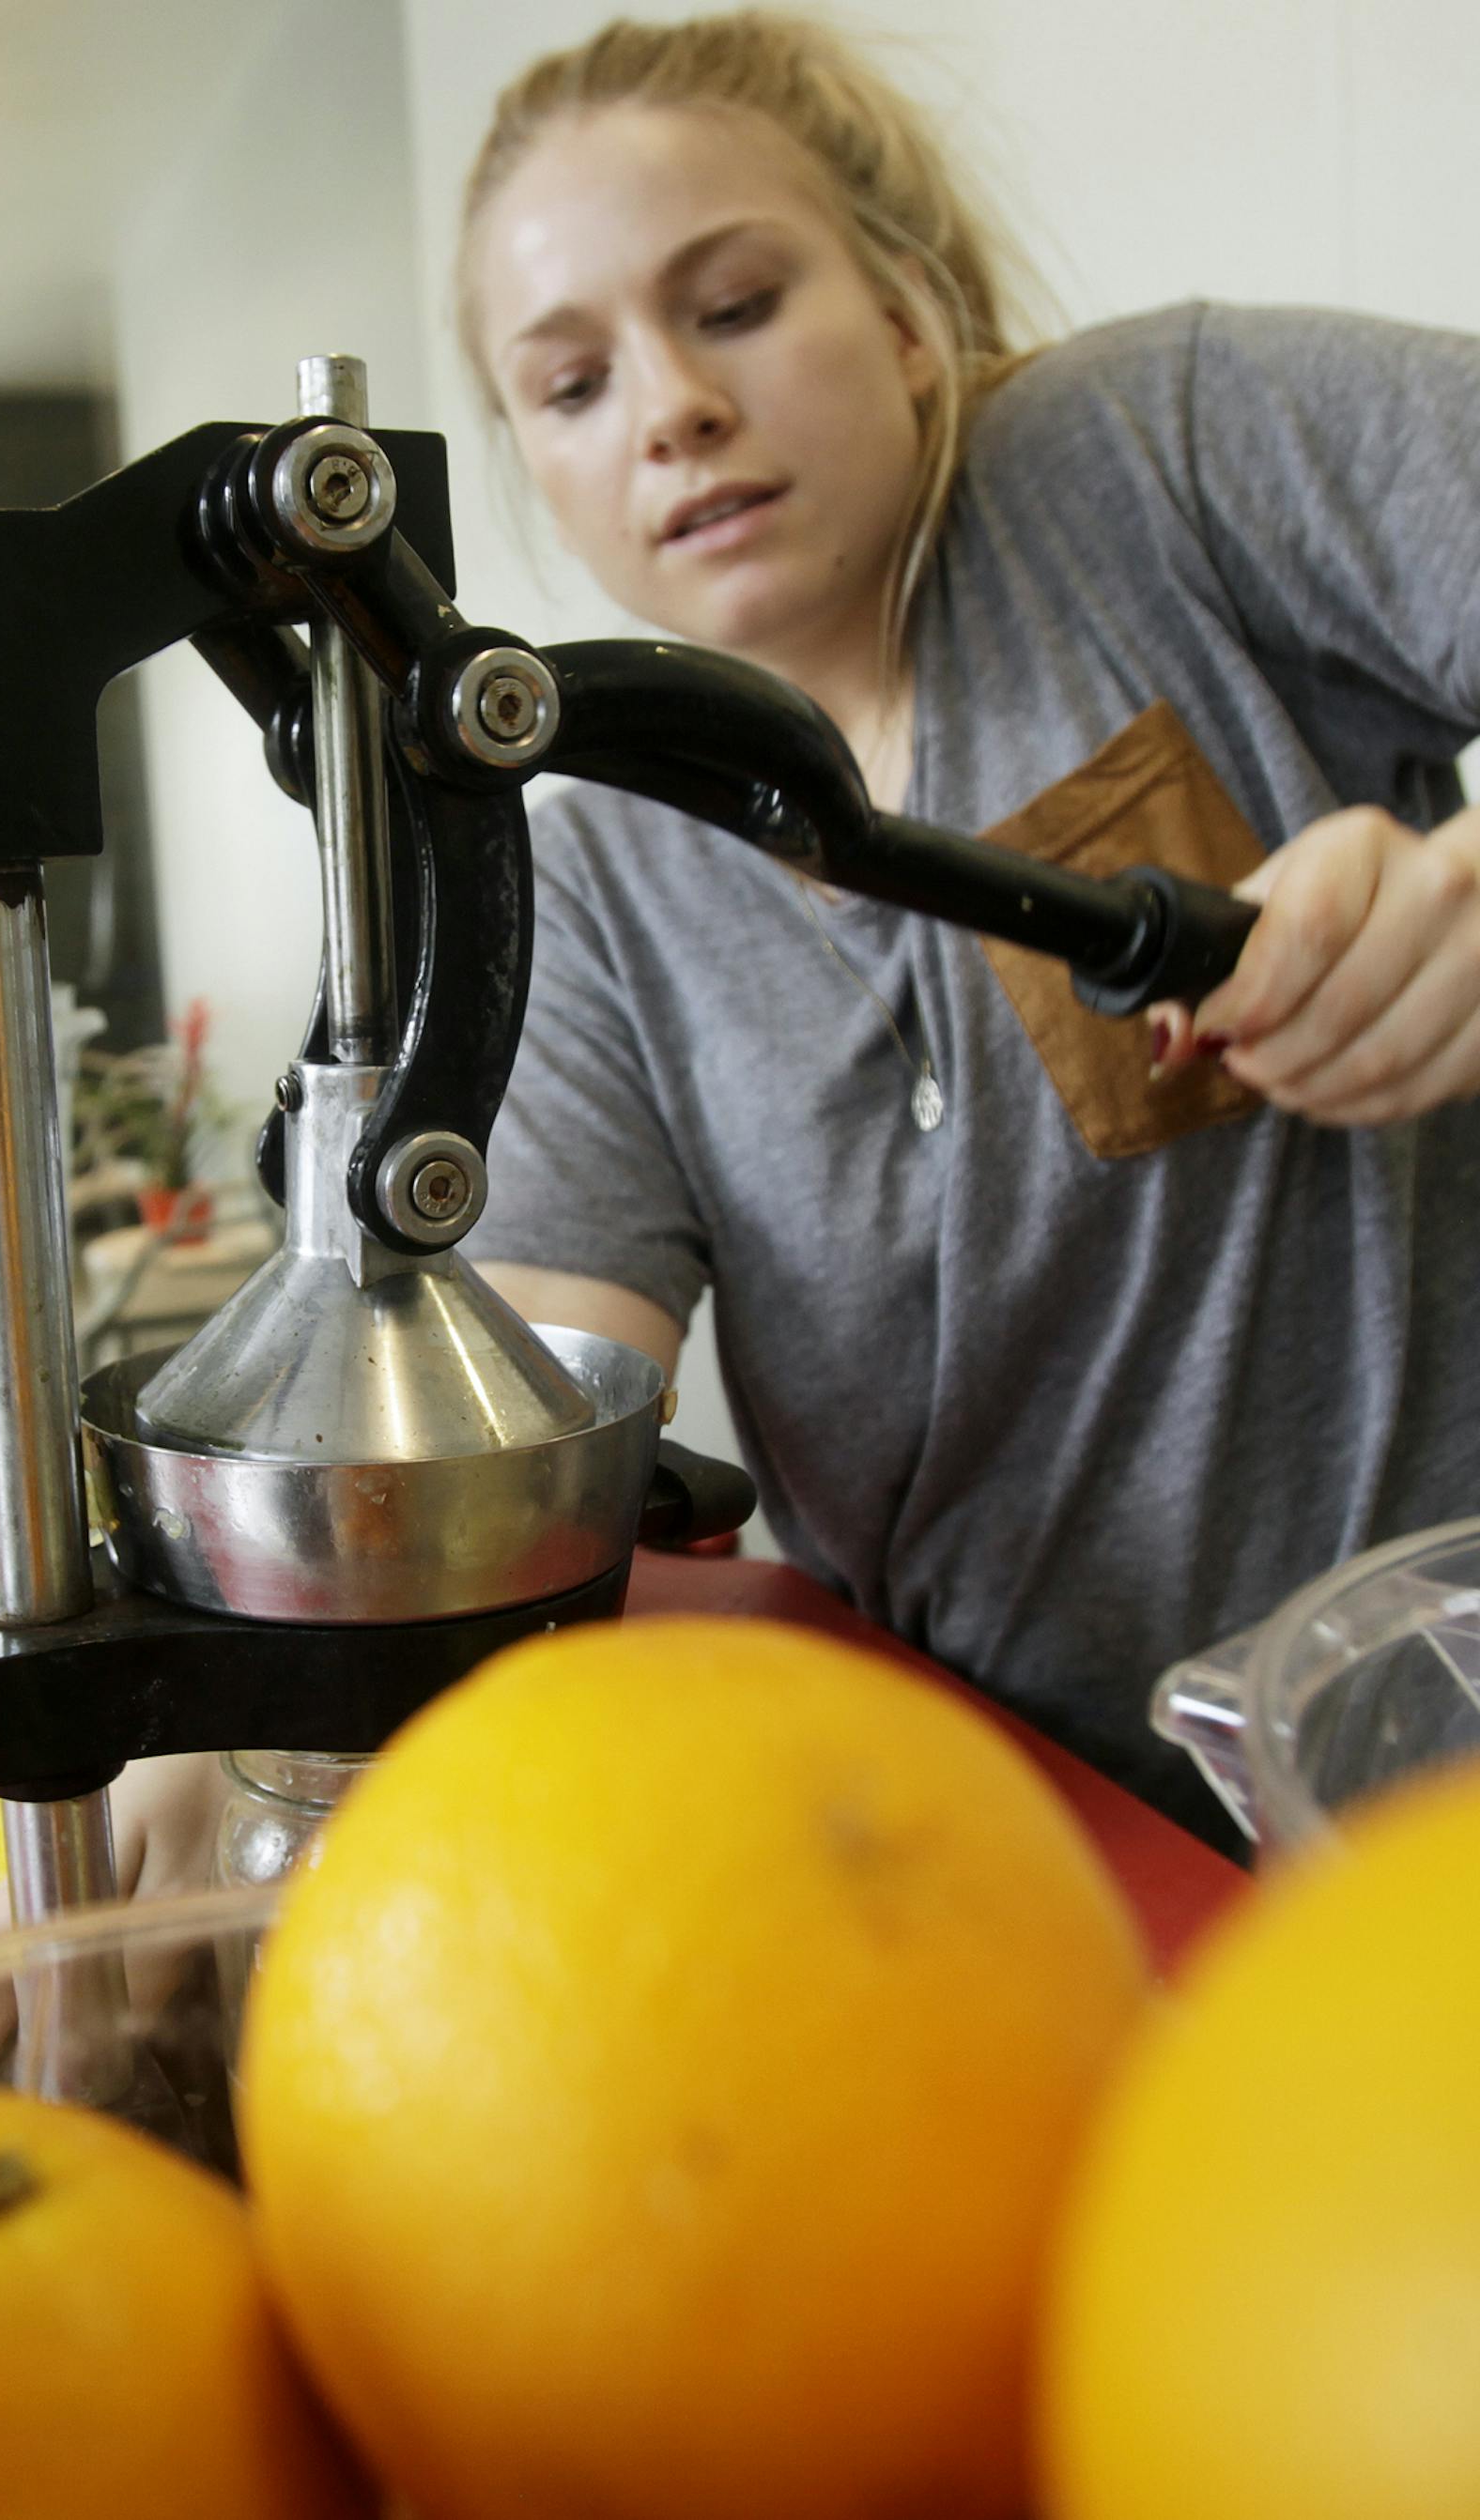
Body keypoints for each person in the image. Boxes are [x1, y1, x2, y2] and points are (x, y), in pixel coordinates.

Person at [448, 9, 1480, 1852]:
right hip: (1014, 1845)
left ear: (911, 316)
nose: (671, 403)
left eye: (738, 303)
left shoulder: (1158, 460)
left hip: (1424, 1783)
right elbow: (536, 1397)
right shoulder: (600, 869)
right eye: (573, 385)